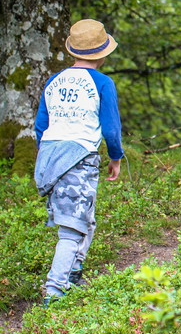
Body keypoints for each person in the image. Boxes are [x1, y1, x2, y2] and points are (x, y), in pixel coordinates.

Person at [34, 19, 124, 305]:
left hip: (49, 155)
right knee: (72, 230)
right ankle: (55, 292)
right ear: (103, 53)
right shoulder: (103, 83)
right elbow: (110, 128)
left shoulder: (54, 80)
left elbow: (40, 126)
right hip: (81, 155)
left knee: (85, 216)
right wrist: (115, 157)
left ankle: (74, 271)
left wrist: (49, 156)